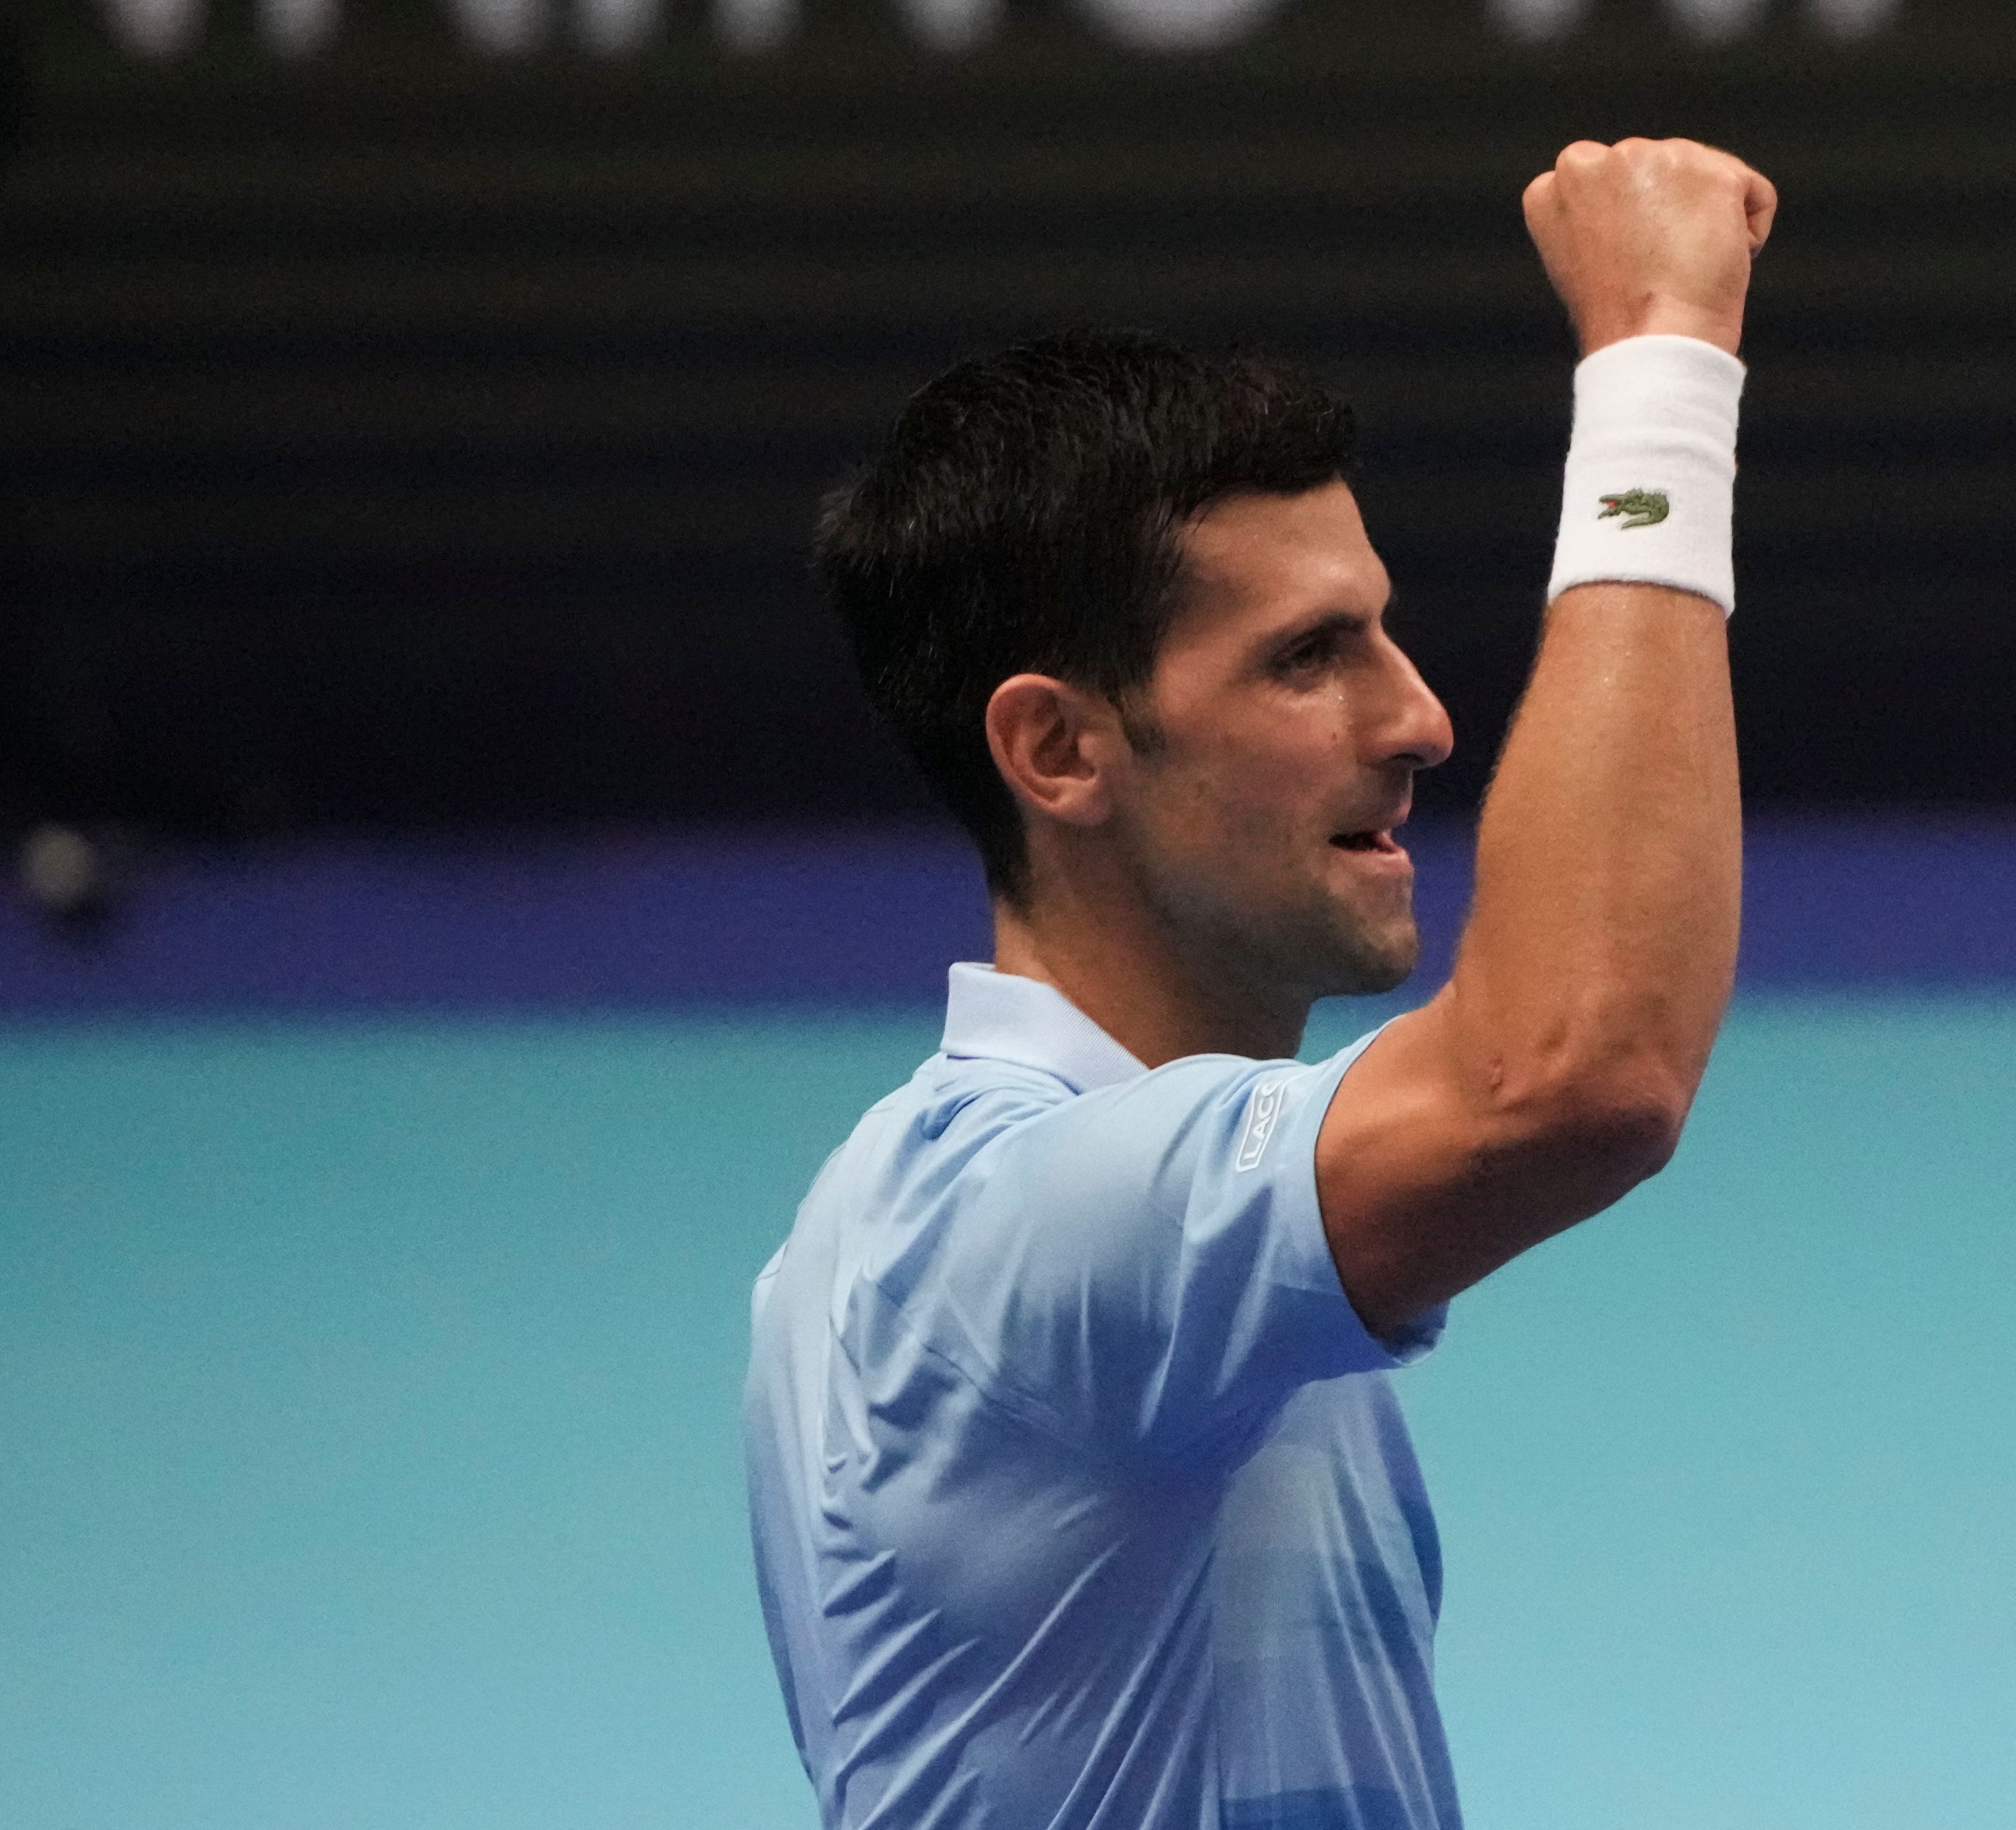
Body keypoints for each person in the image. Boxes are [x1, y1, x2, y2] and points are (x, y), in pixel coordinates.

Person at [743, 137, 1775, 1829]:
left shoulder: (902, 1236)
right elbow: (1572, 1069)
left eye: (1379, 630)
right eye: (1307, 657)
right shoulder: (1013, 1233)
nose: (1420, 718)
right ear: (1057, 746)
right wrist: (1661, 355)